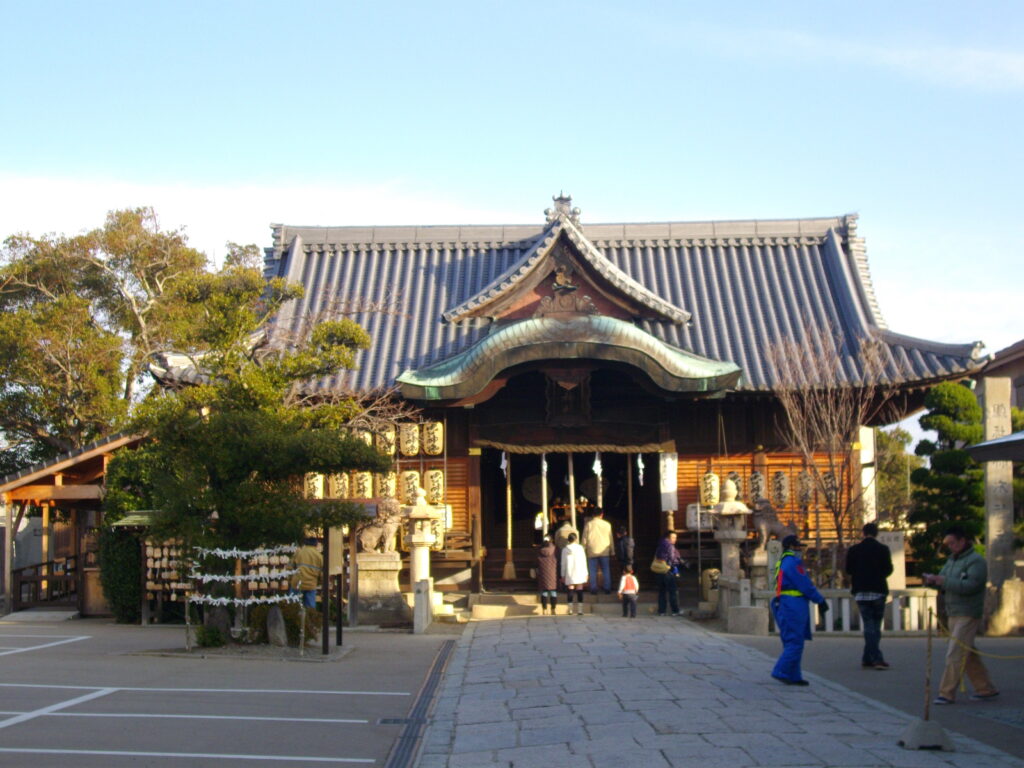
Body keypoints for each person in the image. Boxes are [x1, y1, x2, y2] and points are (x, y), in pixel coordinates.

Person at [923, 526, 999, 705]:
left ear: (963, 541)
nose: (950, 546)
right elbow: (944, 582)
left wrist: (944, 581)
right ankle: (985, 688)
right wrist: (934, 581)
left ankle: (946, 692)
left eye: (953, 543)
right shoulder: (951, 560)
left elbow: (971, 586)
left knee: (955, 653)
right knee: (968, 652)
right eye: (948, 543)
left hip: (968, 612)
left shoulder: (976, 561)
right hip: (953, 612)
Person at [771, 534, 828, 686]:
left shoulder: (783, 561)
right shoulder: (793, 562)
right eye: (798, 546)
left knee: (791, 640)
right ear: (791, 547)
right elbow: (804, 584)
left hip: (786, 602)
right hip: (794, 603)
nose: (800, 549)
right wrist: (819, 600)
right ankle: (781, 670)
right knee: (795, 641)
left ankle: (794, 675)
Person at [845, 522, 894, 669]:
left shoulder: (854, 550)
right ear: (877, 533)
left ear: (863, 533)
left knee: (868, 625)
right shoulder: (883, 549)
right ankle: (876, 658)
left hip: (861, 590)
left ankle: (868, 657)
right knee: (876, 625)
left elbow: (849, 570)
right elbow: (888, 569)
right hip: (878, 590)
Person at [582, 508, 613, 594]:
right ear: (601, 514)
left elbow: (584, 539)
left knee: (592, 571)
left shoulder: (588, 525)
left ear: (592, 515)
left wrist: (583, 549)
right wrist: (612, 551)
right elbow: (611, 539)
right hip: (604, 551)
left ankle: (593, 588)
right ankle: (607, 588)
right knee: (606, 570)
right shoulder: (607, 525)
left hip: (592, 551)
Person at [654, 531, 684, 616]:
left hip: (660, 570)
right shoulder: (670, 546)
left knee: (662, 592)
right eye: (673, 537)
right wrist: (677, 565)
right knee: (672, 591)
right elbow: (672, 559)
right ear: (668, 538)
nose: (675, 539)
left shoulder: (660, 545)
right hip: (668, 571)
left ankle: (661, 611)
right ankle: (675, 610)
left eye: (675, 538)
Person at [289, 535, 323, 609]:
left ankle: (296, 619)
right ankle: (309, 619)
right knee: (310, 609)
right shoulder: (319, 556)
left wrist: (290, 579)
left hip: (297, 583)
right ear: (316, 545)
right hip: (311, 585)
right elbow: (322, 574)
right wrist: (319, 583)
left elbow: (289, 568)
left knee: (293, 608)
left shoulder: (299, 552)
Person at [560, 532, 589, 615]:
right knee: (580, 589)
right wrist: (586, 573)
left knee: (570, 589)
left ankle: (570, 609)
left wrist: (562, 574)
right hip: (580, 570)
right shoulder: (580, 548)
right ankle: (580, 610)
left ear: (568, 540)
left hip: (569, 571)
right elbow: (584, 561)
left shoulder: (565, 550)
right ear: (576, 539)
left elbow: (563, 563)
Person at [536, 535, 558, 615]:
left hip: (543, 573)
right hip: (553, 572)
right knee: (553, 592)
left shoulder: (540, 550)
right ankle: (553, 609)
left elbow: (537, 561)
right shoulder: (555, 549)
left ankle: (544, 609)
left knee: (544, 592)